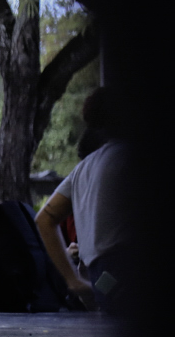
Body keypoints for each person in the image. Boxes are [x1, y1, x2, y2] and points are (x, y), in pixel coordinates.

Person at [36, 87, 132, 309]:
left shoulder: (84, 168)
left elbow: (44, 219)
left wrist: (73, 280)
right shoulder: (128, 157)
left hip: (101, 281)